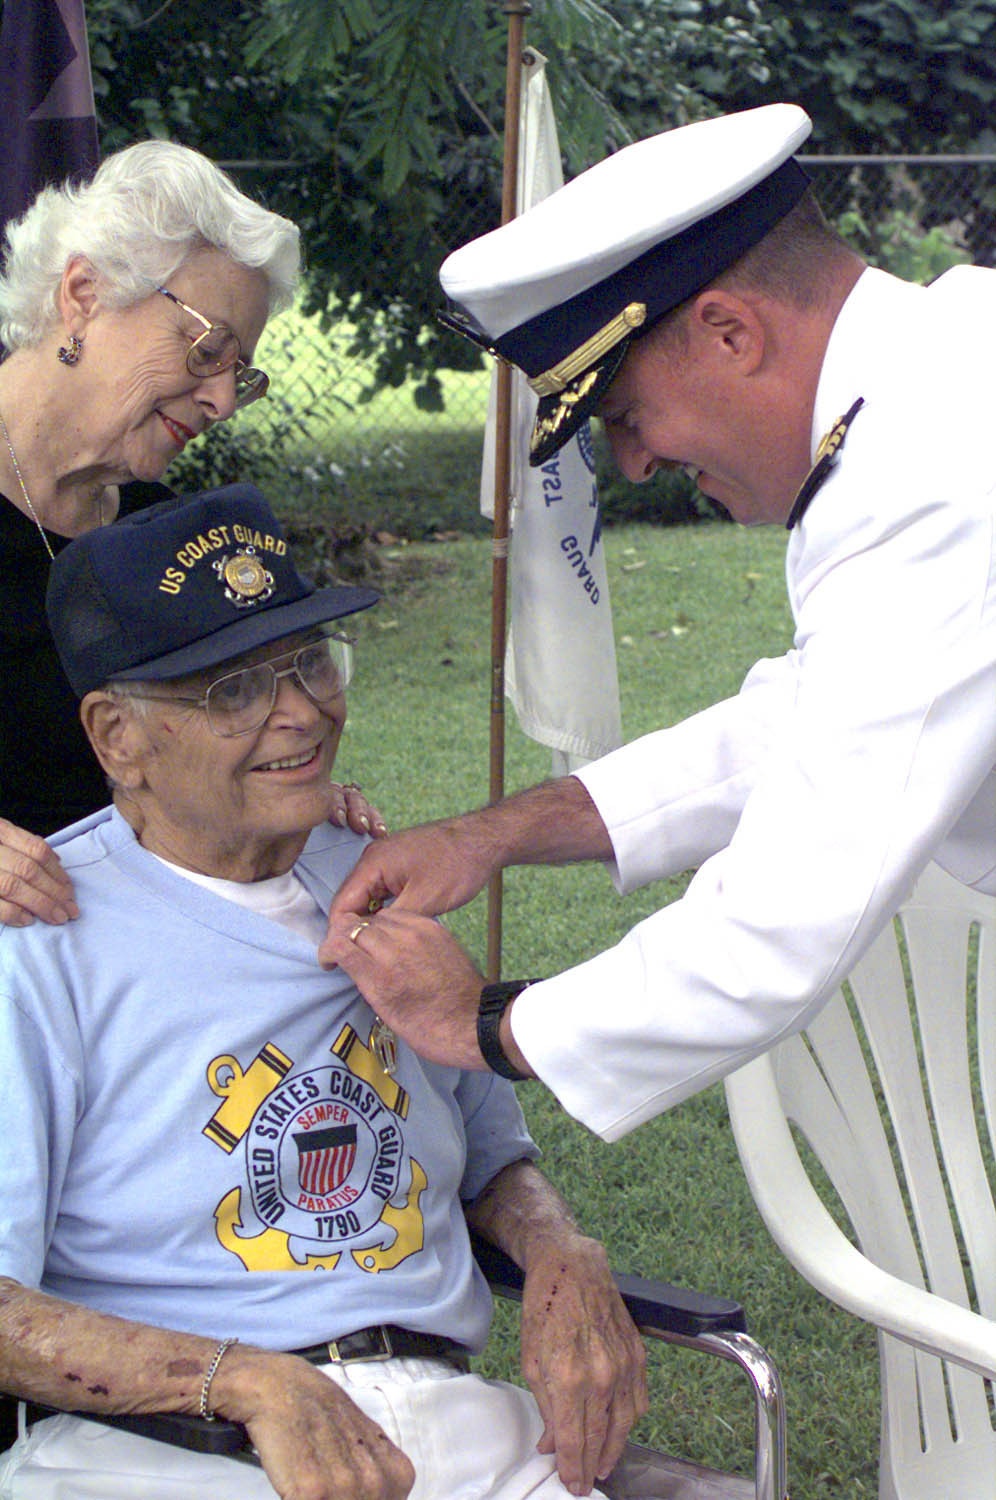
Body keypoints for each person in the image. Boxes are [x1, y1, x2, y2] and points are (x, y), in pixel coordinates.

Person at [318, 103, 996, 1143]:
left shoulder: (932, 474)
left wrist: (489, 1023)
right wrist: (493, 835)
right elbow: (815, 721)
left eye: (625, 415)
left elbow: (787, 915)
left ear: (732, 332)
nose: (632, 463)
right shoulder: (939, 378)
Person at [0, 483, 647, 1500]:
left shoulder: (384, 880)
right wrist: (240, 1381)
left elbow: (491, 1162)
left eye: (305, 661)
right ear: (117, 737)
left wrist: (561, 1246)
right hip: (167, 1452)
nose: (299, 711)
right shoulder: (38, 939)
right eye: (231, 690)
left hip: (462, 1432)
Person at [0, 139, 384, 928]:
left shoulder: (162, 533)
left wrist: (276, 784)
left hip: (122, 974)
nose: (220, 402)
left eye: (240, 374)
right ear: (84, 293)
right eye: (207, 350)